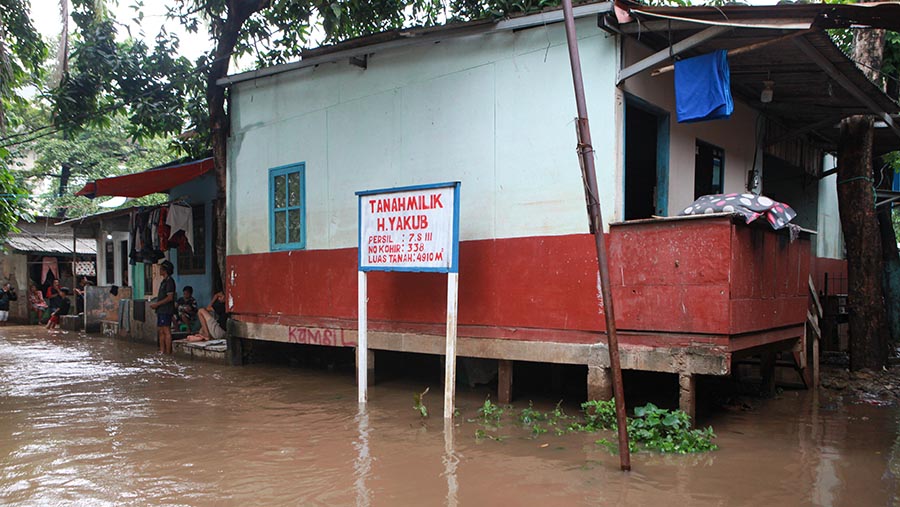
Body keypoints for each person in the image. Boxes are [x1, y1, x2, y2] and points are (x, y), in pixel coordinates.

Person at [149, 261, 176, 354]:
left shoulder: (170, 282)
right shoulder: (164, 281)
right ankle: (162, 351)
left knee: (166, 330)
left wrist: (157, 304)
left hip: (166, 310)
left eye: (161, 269)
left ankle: (168, 352)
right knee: (161, 331)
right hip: (161, 310)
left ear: (165, 270)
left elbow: (170, 297)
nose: (159, 270)